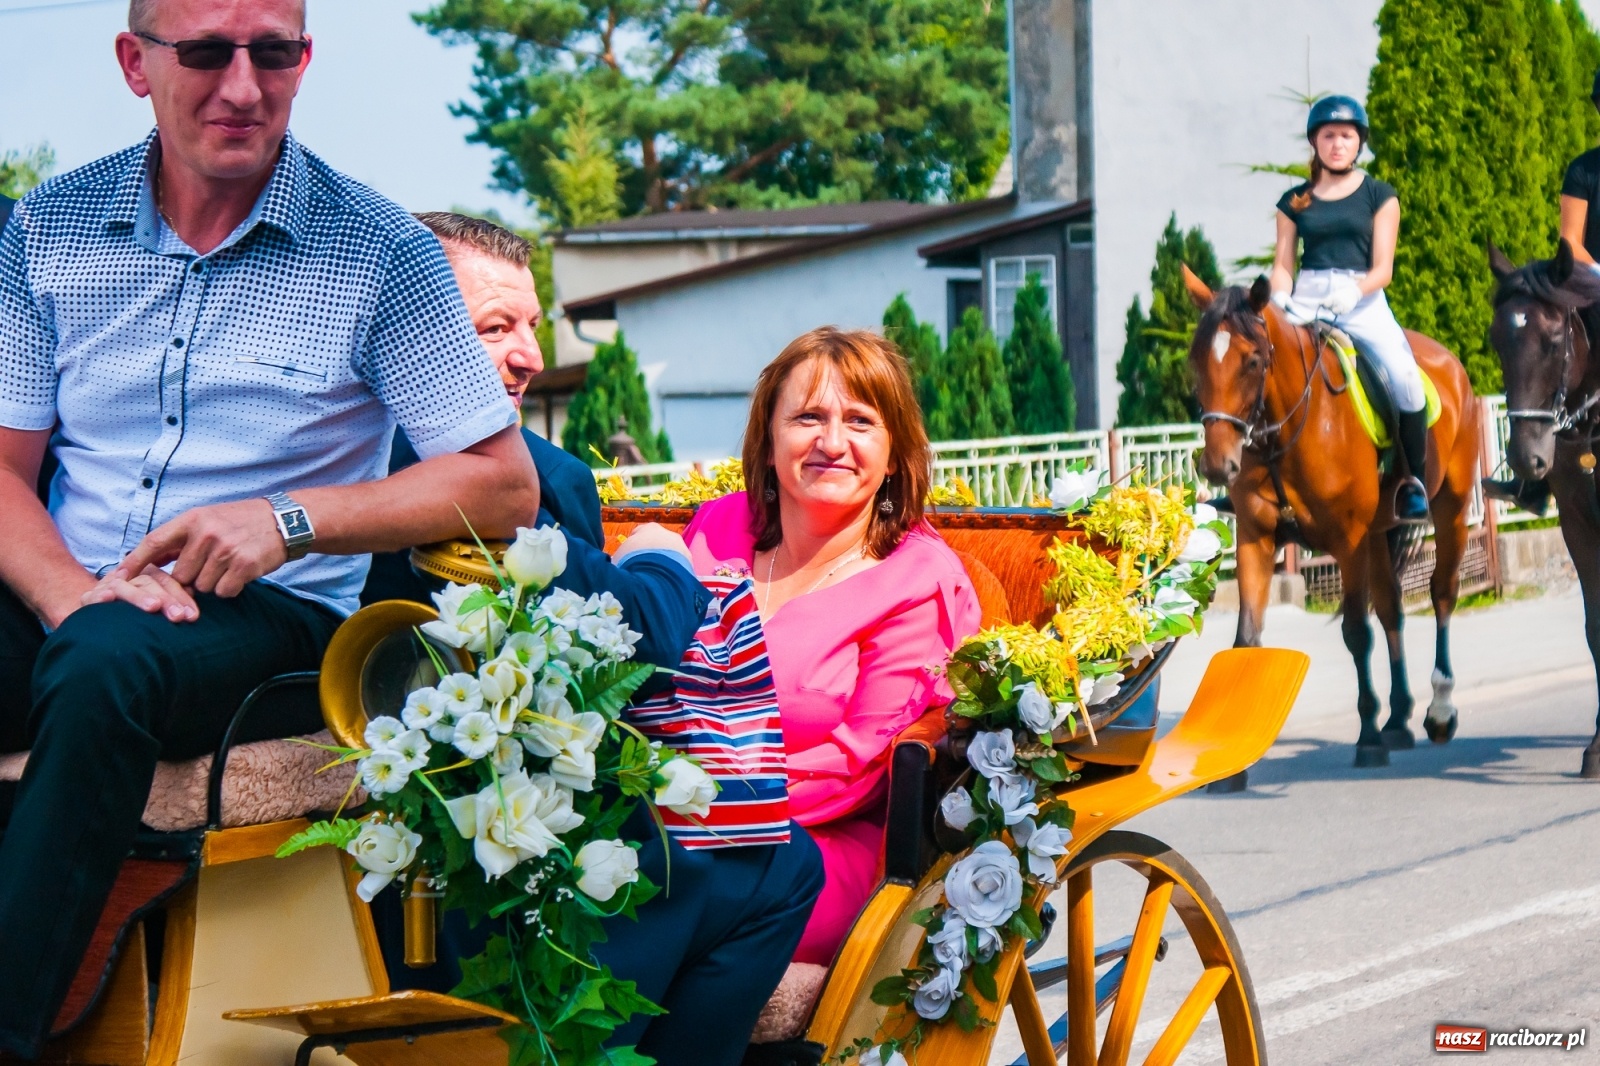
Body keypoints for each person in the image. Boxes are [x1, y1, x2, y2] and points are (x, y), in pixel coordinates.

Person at [0, 1, 546, 1053]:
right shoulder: (45, 228)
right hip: (72, 597)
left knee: (108, 665)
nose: (243, 85)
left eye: (273, 51)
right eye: (206, 51)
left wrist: (288, 520)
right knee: (99, 647)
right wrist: (72, 596)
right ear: (134, 63)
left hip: (272, 624)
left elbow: (503, 484)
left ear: (305, 58)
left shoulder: (380, 250)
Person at [371, 212, 824, 1066]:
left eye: (532, 326)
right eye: (495, 327)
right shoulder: (519, 474)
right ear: (413, 337)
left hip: (406, 817)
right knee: (784, 863)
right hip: (488, 848)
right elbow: (641, 638)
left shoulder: (323, 447)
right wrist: (664, 559)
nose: (531, 355)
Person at [682, 328, 981, 965]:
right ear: (767, 440)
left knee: (661, 894)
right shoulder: (715, 530)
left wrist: (699, 800)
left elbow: (858, 765)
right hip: (670, 816)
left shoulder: (917, 581)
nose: (832, 442)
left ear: (896, 451)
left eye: (860, 421)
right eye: (808, 417)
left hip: (820, 846)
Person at [1271, 94, 1431, 523]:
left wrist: (1353, 292)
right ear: (1315, 142)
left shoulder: (1380, 194)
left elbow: (1384, 269)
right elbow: (1283, 264)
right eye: (1328, 135)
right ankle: (1259, 481)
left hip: (1362, 299)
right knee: (1262, 370)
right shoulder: (1294, 201)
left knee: (1405, 379)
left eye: (1346, 135)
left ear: (1359, 142)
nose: (1337, 144)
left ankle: (1413, 481)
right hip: (1305, 297)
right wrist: (1279, 299)